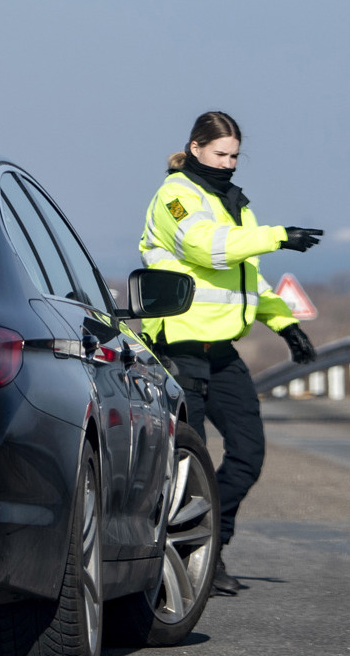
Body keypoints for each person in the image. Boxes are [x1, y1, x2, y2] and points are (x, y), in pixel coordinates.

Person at [138, 111, 322, 596]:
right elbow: (208, 249)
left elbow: (244, 278)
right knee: (186, 466)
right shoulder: (175, 198)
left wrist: (285, 324)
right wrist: (278, 235)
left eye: (236, 155)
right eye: (221, 153)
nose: (230, 163)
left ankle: (210, 547)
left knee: (248, 454)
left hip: (220, 351)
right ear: (195, 148)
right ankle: (170, 563)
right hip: (179, 348)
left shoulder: (233, 202)